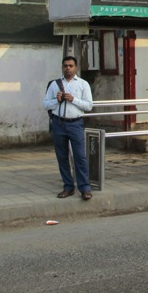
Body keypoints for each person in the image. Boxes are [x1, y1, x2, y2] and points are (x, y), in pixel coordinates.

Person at [42, 56, 94, 200]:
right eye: (65, 66)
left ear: (76, 68)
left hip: (75, 123)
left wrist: (73, 99)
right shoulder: (54, 85)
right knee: (62, 157)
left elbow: (89, 106)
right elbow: (45, 104)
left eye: (71, 66)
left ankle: (84, 188)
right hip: (59, 123)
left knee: (80, 156)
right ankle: (68, 186)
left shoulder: (83, 84)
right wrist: (56, 100)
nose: (68, 68)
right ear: (62, 67)